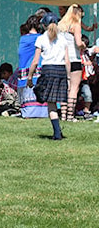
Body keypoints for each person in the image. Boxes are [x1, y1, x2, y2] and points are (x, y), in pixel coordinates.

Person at [28, 11, 69, 139]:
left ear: (44, 25)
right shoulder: (63, 38)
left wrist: (30, 77)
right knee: (57, 101)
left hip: (48, 71)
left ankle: (57, 133)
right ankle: (58, 132)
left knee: (50, 103)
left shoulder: (41, 39)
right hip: (61, 70)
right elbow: (67, 61)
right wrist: (68, 78)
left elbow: (35, 62)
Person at [58, 4, 85, 121]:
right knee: (74, 88)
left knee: (65, 87)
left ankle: (63, 115)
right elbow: (78, 43)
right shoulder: (76, 25)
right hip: (74, 59)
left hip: (62, 59)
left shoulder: (60, 25)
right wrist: (84, 45)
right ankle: (70, 115)